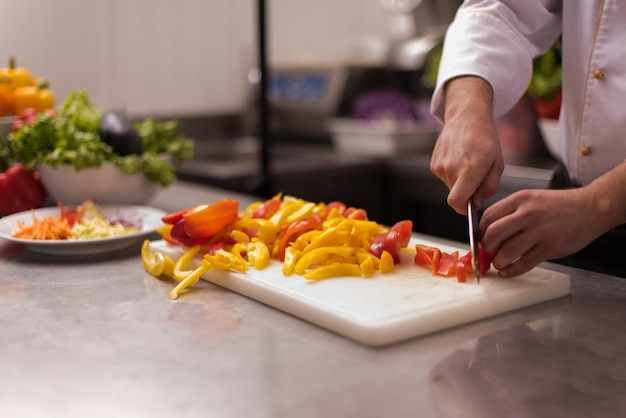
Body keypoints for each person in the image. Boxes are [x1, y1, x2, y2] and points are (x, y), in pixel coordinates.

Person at [429, 1, 626, 278]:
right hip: (566, 219)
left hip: (584, 212)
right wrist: (465, 108)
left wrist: (597, 204)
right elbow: (504, 8)